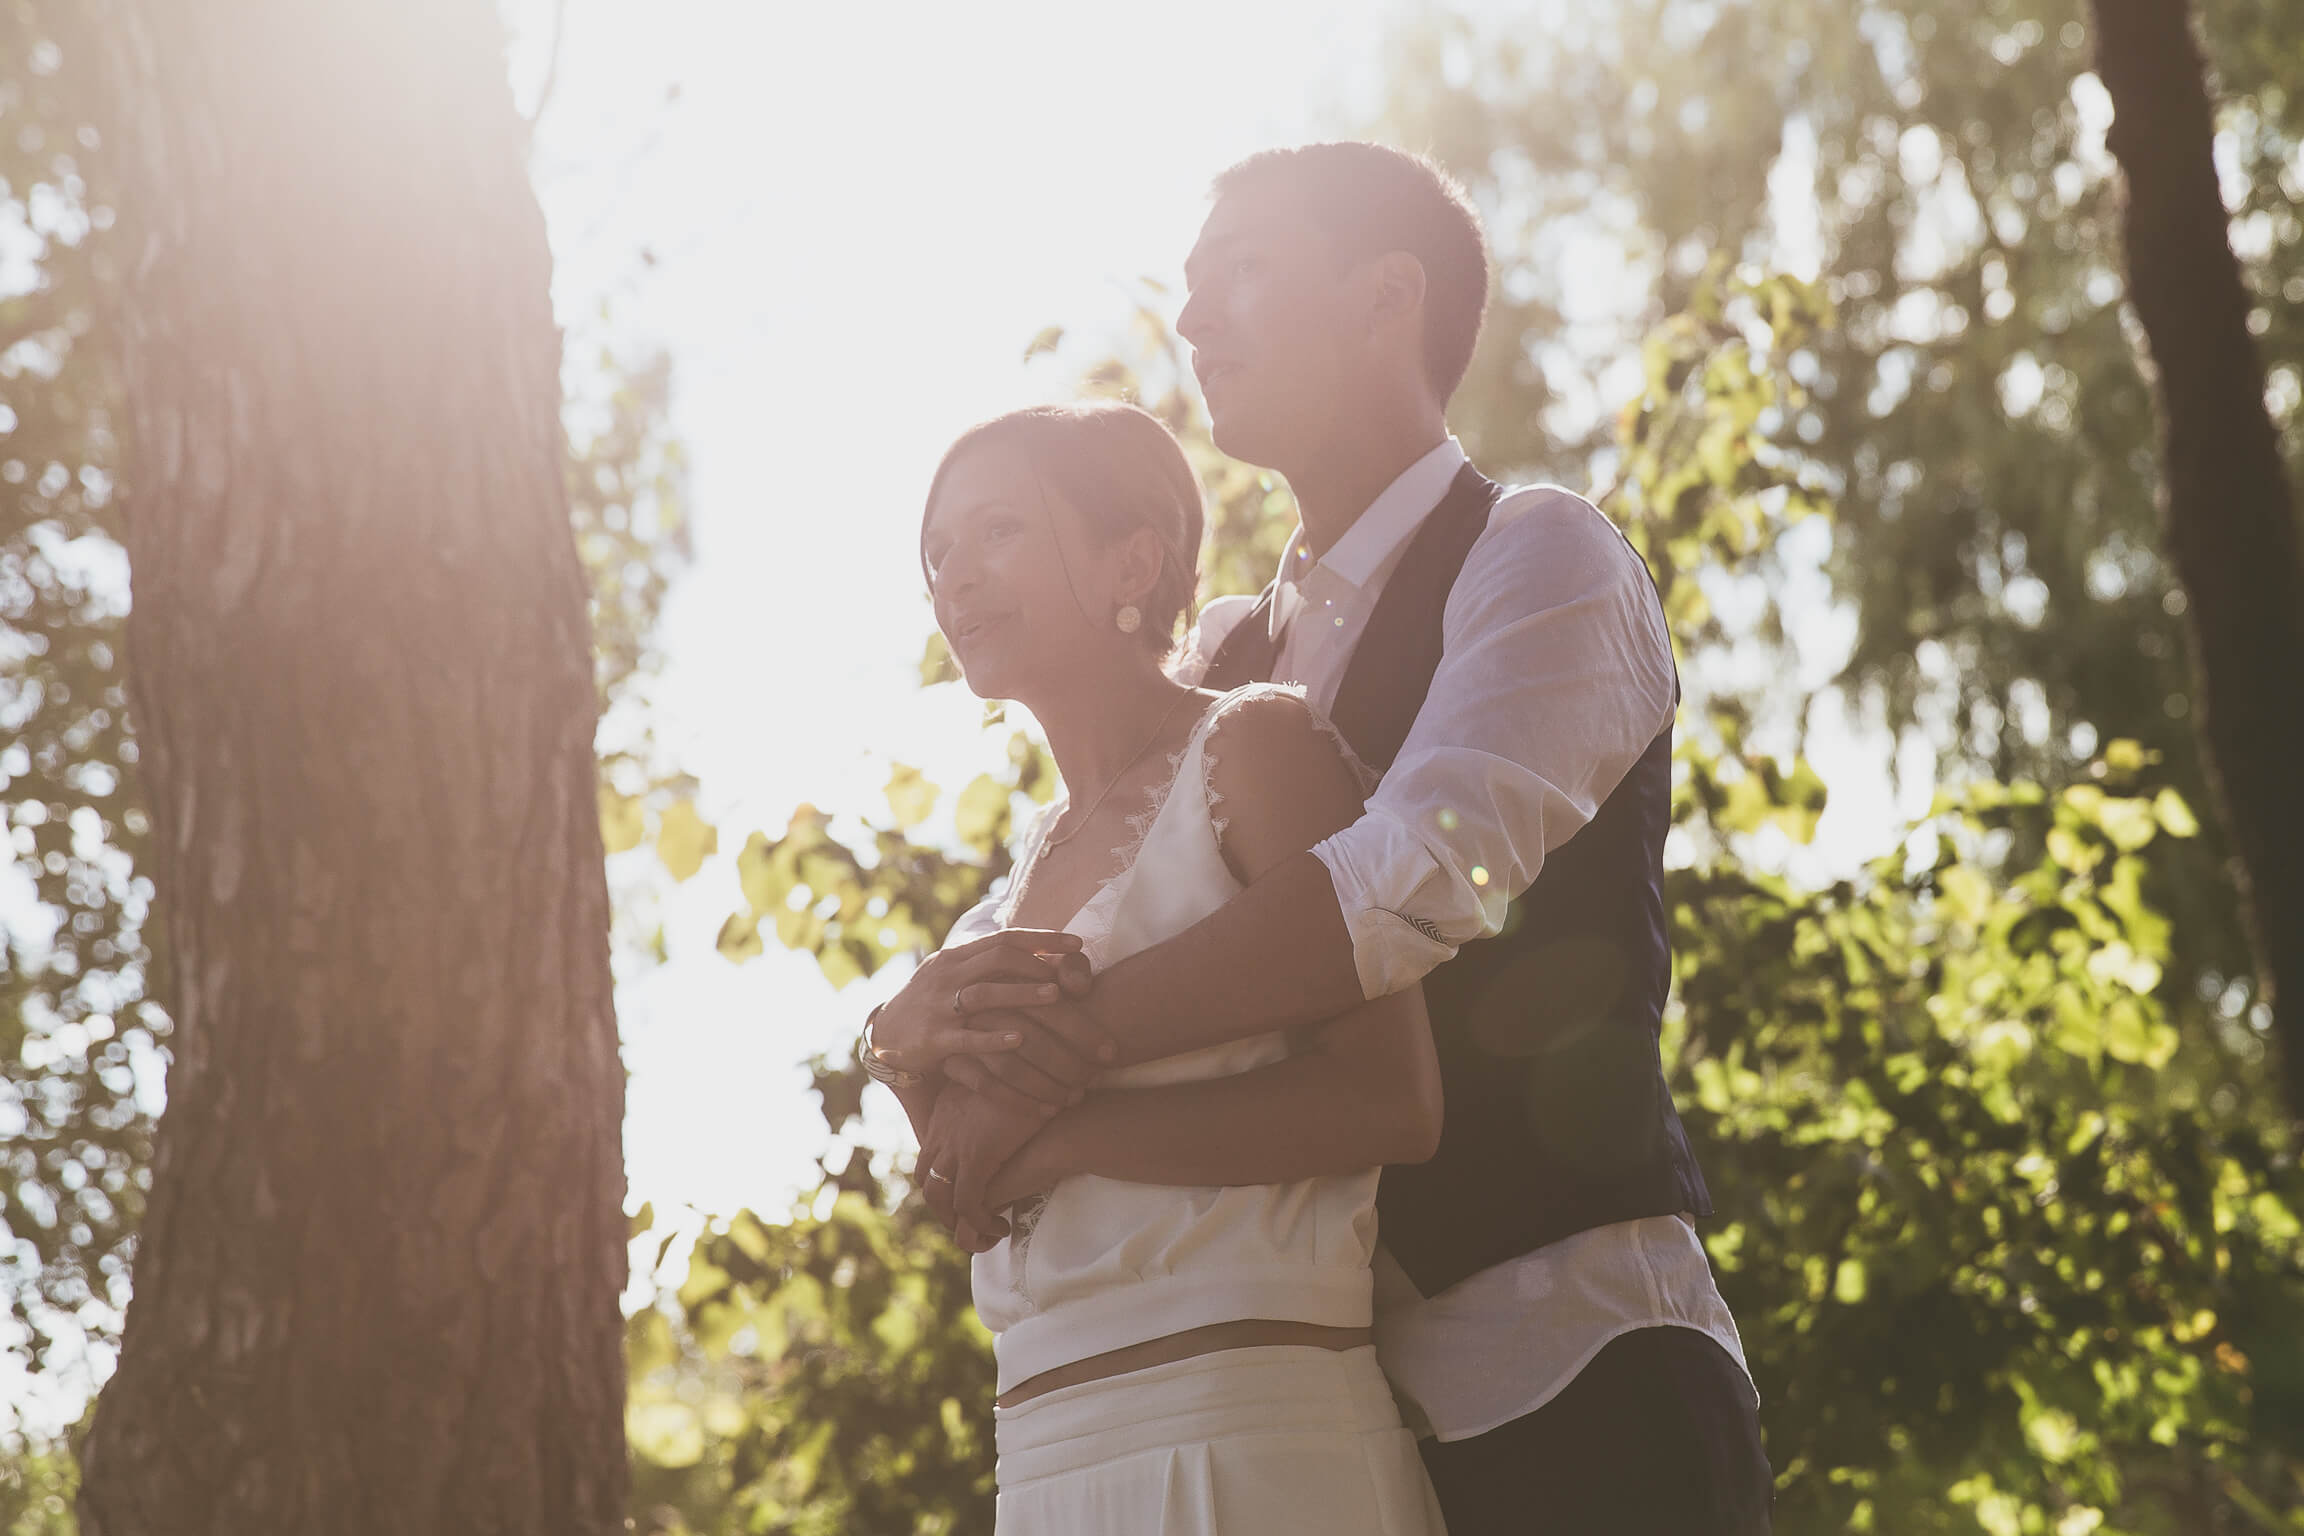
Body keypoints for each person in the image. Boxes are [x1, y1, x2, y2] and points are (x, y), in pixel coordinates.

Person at [927, 143, 1774, 1534]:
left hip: (1576, 1377)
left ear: (1390, 296)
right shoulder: (1222, 660)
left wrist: (1049, 1062)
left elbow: (1408, 884)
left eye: (1241, 275)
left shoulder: (1542, 557)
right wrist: (923, 1034)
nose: (1194, 322)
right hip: (1316, 1425)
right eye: (1189, 293)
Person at [865, 399, 1450, 1534]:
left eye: (998, 532)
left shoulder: (1254, 750)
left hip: (1249, 1440)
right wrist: (899, 1046)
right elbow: (967, 1187)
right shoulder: (1006, 895)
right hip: (1043, 1466)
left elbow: (1394, 1100)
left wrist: (1075, 1134)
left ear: (1133, 558)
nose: (956, 577)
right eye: (938, 552)